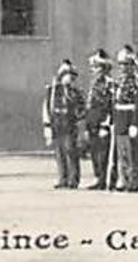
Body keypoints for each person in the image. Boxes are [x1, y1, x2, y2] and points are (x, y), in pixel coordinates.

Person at [109, 46, 138, 193]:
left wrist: (135, 123)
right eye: (121, 64)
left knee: (133, 154)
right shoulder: (119, 82)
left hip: (131, 120)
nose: (123, 68)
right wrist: (113, 120)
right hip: (120, 120)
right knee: (122, 153)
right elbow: (115, 103)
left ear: (133, 66)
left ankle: (134, 181)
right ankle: (123, 179)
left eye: (127, 64)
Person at [42, 59, 85, 189]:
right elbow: (47, 109)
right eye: (67, 74)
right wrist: (47, 127)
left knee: (71, 152)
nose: (70, 78)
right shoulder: (53, 91)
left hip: (70, 126)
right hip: (57, 125)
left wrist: (79, 122)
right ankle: (62, 178)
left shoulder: (75, 93)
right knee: (59, 153)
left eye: (72, 75)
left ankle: (73, 179)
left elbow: (82, 109)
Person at [85, 48, 115, 190]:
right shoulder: (94, 84)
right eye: (93, 67)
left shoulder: (109, 83)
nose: (93, 70)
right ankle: (98, 177)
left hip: (103, 121)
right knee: (94, 151)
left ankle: (105, 178)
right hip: (92, 121)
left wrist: (106, 124)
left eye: (96, 67)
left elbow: (110, 105)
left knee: (104, 153)